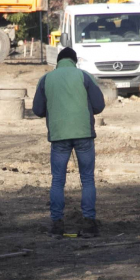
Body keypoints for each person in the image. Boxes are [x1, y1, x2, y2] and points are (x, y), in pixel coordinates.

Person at [31, 46, 106, 237]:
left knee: (58, 180)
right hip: (84, 134)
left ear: (58, 62)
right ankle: (89, 223)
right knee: (87, 178)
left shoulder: (46, 79)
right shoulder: (84, 76)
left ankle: (57, 225)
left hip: (58, 136)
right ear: (75, 61)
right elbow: (99, 105)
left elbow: (38, 110)